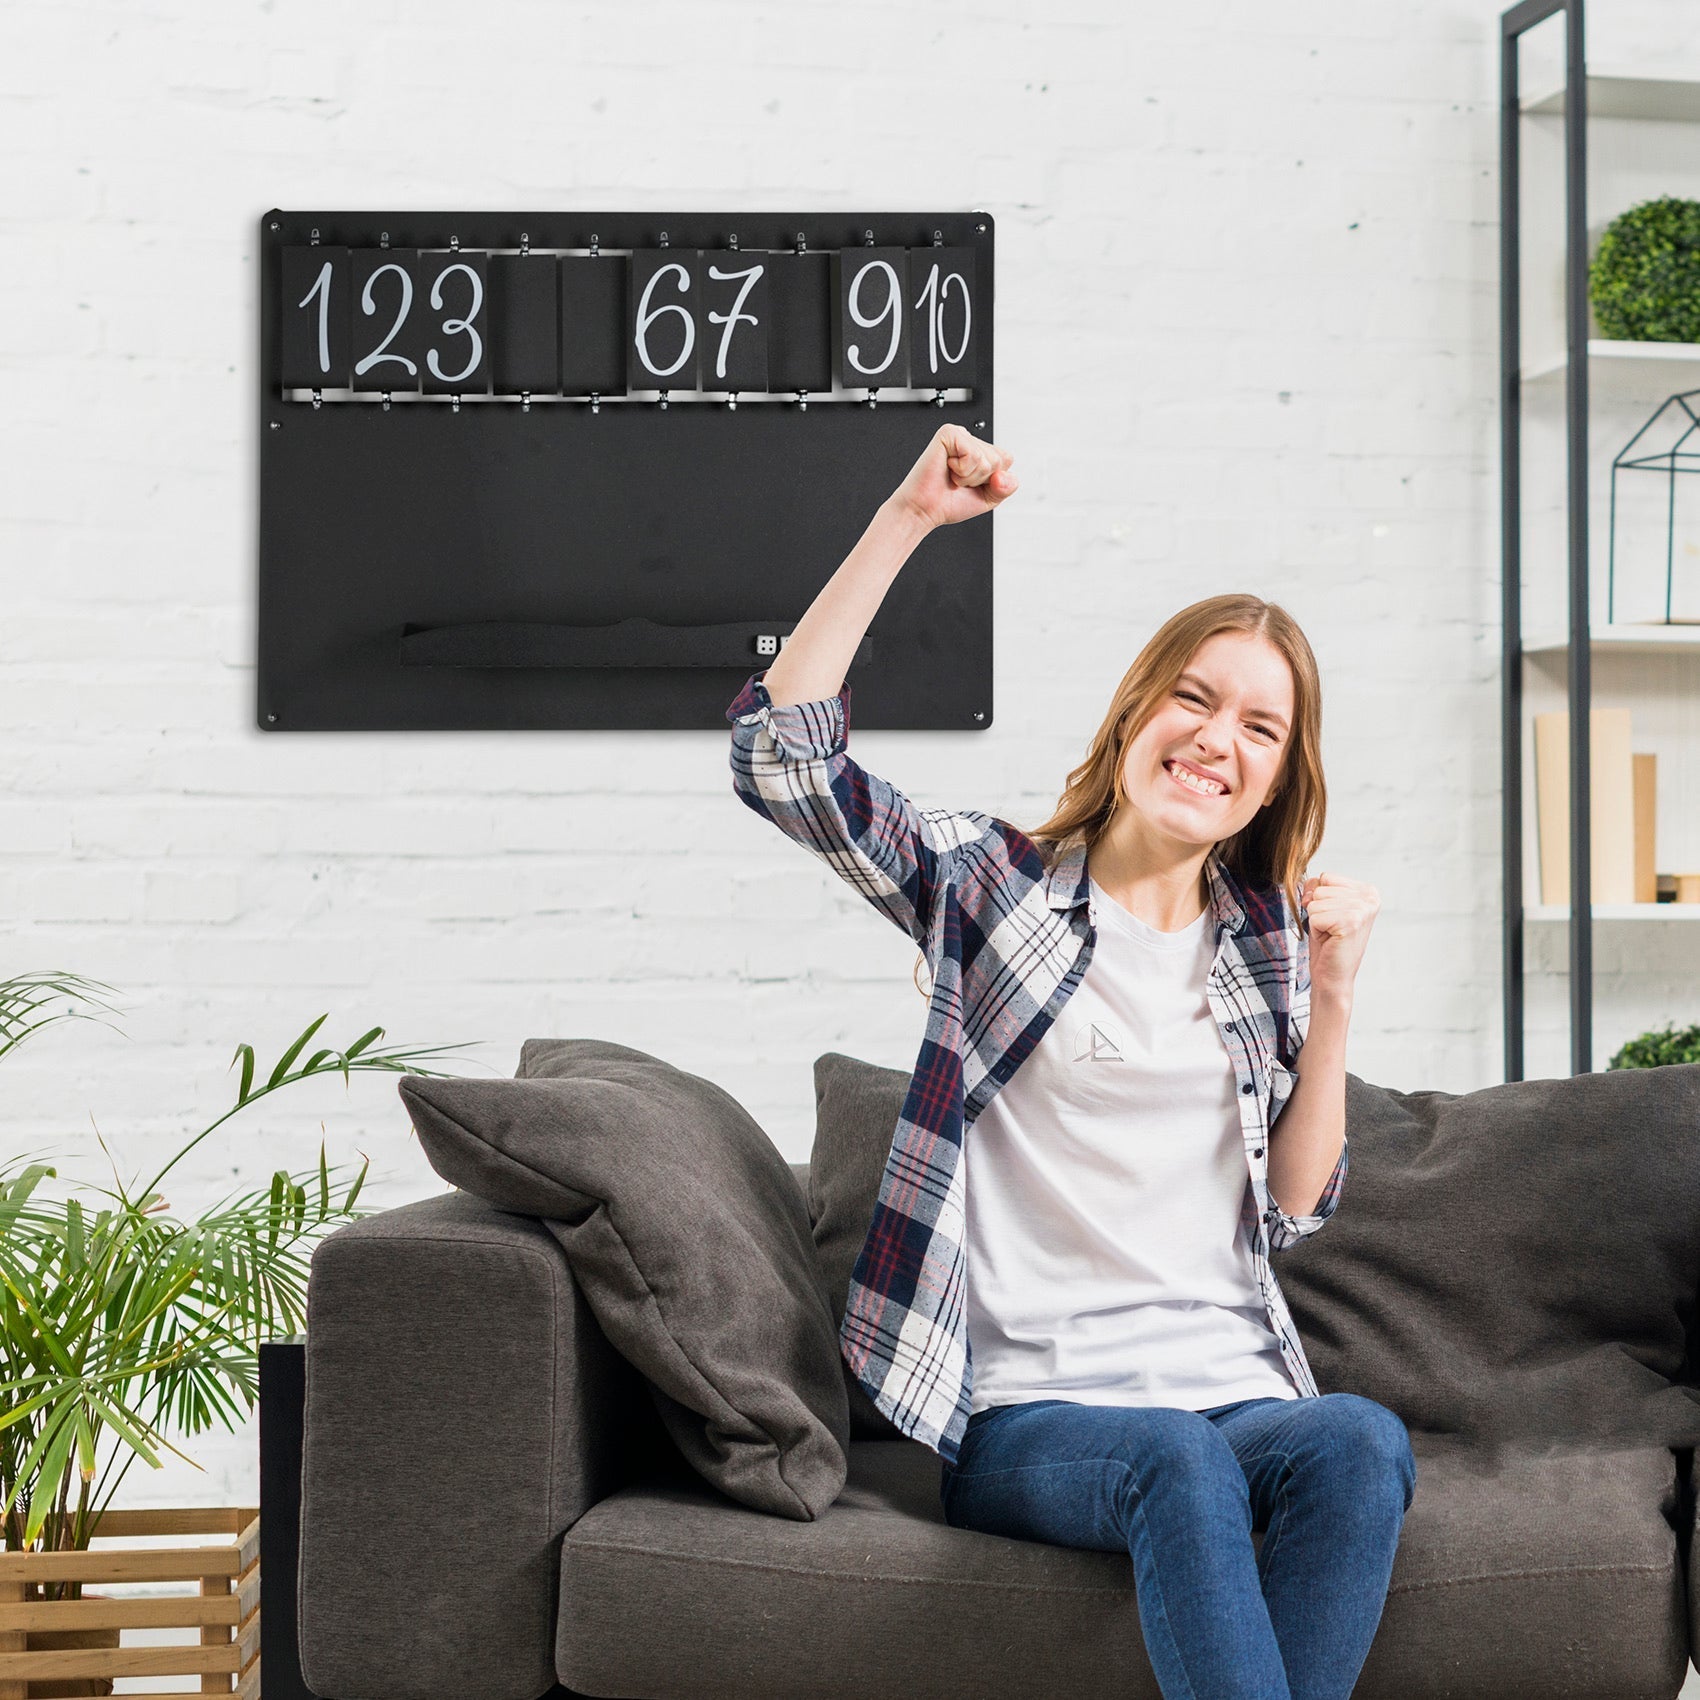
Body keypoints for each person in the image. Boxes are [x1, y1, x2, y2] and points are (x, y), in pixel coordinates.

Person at [725, 422, 1415, 1700]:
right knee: (1175, 1461)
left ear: (1273, 779)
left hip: (1236, 1391)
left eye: (1258, 727)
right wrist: (905, 519)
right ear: (1136, 712)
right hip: (1035, 1415)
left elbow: (1297, 1202)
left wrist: (1331, 997)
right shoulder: (988, 888)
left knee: (1358, 1443)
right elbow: (786, 764)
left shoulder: (1266, 938)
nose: (1216, 738)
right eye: (1193, 699)